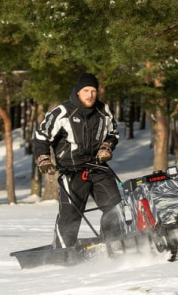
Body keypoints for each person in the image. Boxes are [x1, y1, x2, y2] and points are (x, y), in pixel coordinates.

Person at [33, 72, 123, 248]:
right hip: (71, 171)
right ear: (77, 92)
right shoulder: (62, 112)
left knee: (115, 207)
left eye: (93, 91)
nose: (90, 95)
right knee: (70, 214)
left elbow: (113, 133)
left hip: (98, 168)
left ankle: (113, 246)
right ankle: (62, 252)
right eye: (86, 90)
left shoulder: (104, 111)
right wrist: (44, 159)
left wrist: (106, 147)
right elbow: (41, 136)